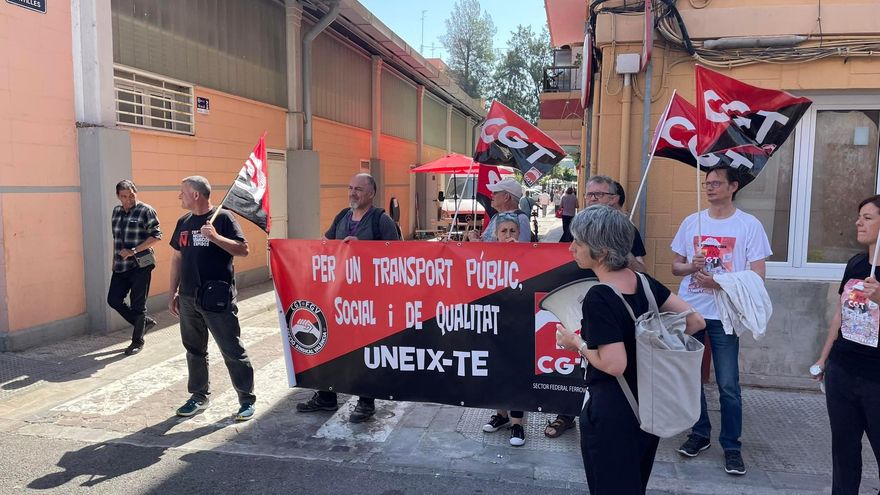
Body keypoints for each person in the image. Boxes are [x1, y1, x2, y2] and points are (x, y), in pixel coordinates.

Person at [556, 205, 705, 495]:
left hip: (612, 412)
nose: (571, 247)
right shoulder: (644, 282)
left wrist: (576, 343)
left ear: (599, 252)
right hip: (649, 405)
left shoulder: (599, 296)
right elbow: (695, 321)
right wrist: (652, 342)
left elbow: (614, 365)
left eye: (578, 242)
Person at [671, 165, 771, 475]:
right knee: (689, 377)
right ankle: (699, 434)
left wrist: (721, 283)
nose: (710, 187)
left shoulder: (748, 225)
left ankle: (731, 446)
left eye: (717, 183)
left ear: (733, 187)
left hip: (724, 314)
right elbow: (676, 267)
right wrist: (691, 267)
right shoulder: (692, 222)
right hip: (691, 310)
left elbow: (758, 274)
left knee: (728, 383)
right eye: (707, 183)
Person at [545, 176, 649, 438]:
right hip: (578, 302)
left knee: (601, 360)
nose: (591, 199)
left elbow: (641, 268)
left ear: (614, 199)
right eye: (588, 194)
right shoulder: (579, 227)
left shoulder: (625, 230)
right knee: (579, 364)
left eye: (598, 194)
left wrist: (615, 251)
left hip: (606, 303)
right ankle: (567, 413)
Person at [296, 173, 399, 423]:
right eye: (350, 188)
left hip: (367, 301)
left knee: (364, 351)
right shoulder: (342, 216)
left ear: (372, 193)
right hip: (338, 297)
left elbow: (396, 256)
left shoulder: (381, 221)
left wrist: (363, 249)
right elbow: (326, 244)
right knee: (330, 345)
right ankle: (326, 396)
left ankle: (366, 401)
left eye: (359, 190)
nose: (353, 193)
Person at [168, 176, 256, 421]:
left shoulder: (224, 218)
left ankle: (246, 400)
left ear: (196, 194)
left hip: (217, 298)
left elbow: (243, 249)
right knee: (194, 350)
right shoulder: (183, 222)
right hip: (188, 297)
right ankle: (198, 396)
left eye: (182, 192)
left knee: (231, 349)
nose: (179, 196)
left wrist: (216, 237)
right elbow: (177, 258)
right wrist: (172, 292)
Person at [813, 195, 880, 494]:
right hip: (843, 369)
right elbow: (841, 313)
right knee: (844, 452)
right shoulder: (856, 263)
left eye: (867, 217)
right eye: (859, 216)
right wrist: (824, 359)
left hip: (876, 378)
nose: (858, 222)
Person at [479, 213, 529, 446]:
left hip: (518, 322)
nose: (508, 235)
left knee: (516, 370)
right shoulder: (487, 258)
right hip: (492, 321)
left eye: (512, 231)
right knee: (496, 368)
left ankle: (517, 422)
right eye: (503, 231)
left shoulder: (529, 255)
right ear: (496, 235)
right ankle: (501, 415)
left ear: (519, 234)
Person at [107, 180, 162, 356]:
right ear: (118, 196)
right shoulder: (116, 212)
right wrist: (114, 261)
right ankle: (143, 323)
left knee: (138, 304)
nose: (128, 199)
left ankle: (137, 341)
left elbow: (156, 236)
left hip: (142, 264)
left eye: (131, 195)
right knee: (113, 300)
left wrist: (134, 251)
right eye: (124, 196)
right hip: (121, 265)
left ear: (135, 192)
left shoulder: (146, 210)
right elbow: (116, 239)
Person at [466, 177, 530, 243]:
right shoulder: (496, 216)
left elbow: (521, 249)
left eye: (495, 192)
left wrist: (478, 243)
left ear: (506, 197)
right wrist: (476, 238)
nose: (491, 194)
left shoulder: (521, 218)